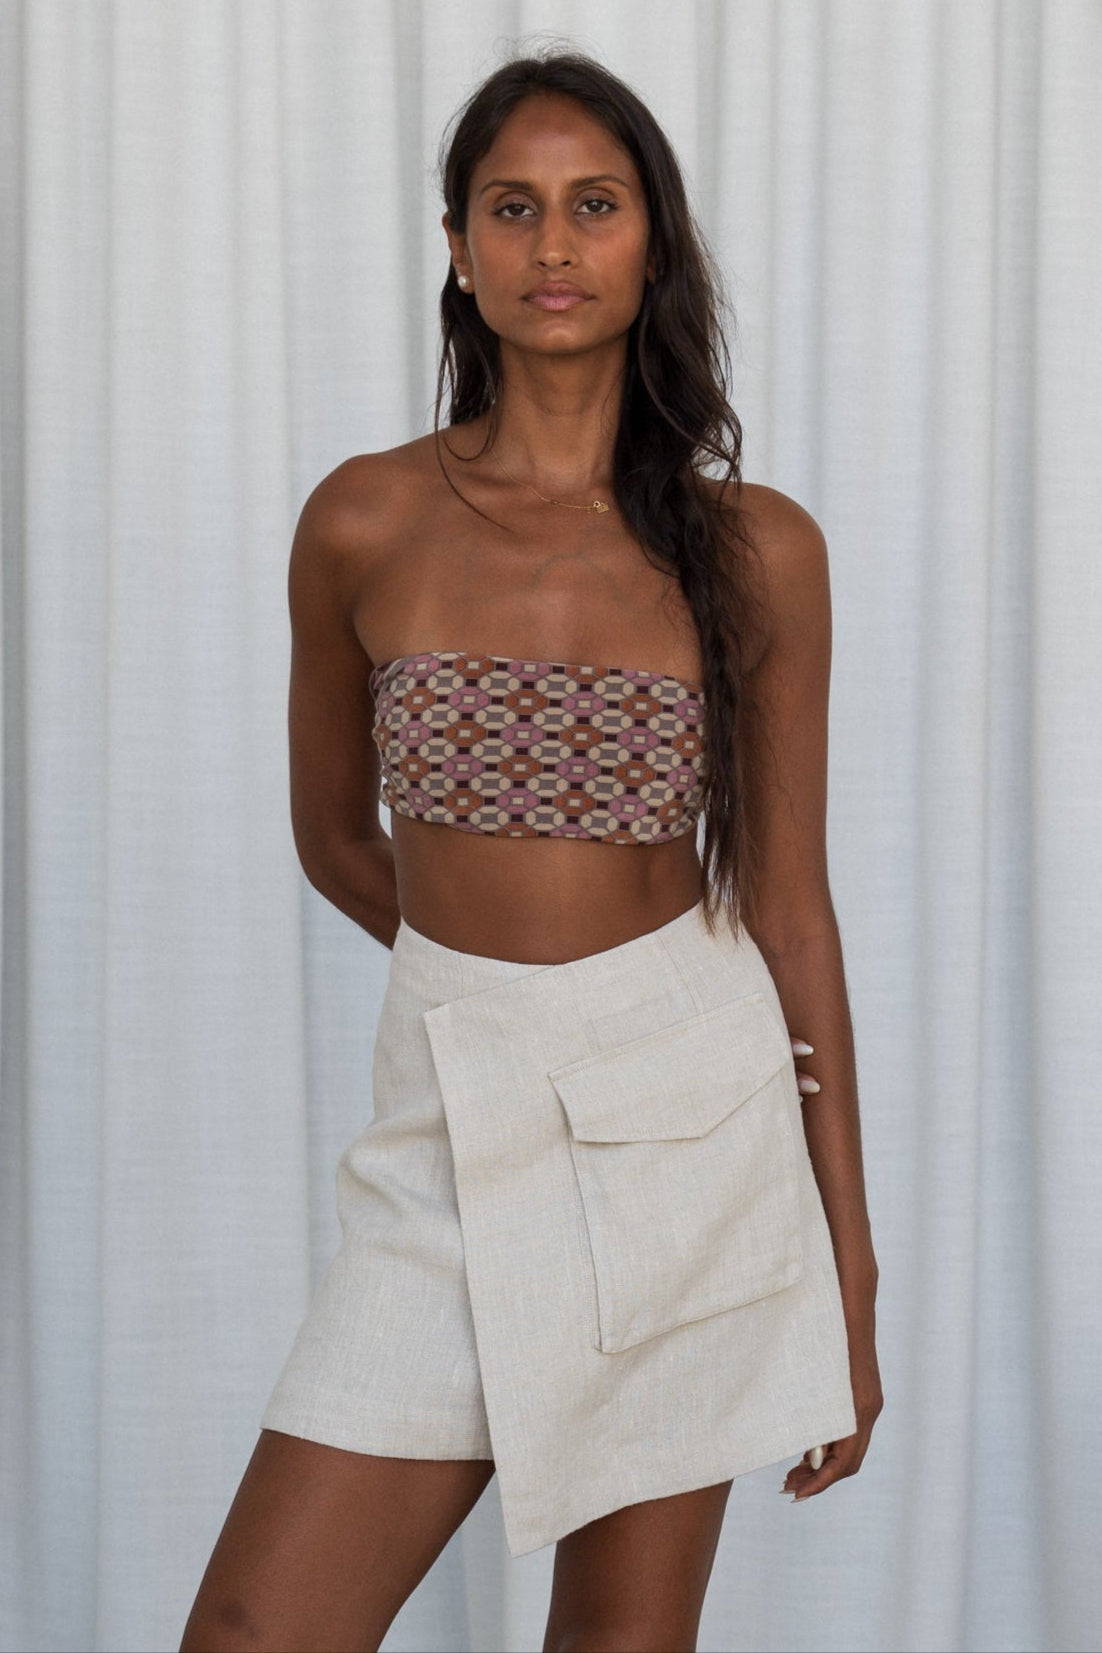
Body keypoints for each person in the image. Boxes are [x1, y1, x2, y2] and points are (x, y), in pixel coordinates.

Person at [181, 48, 882, 1653]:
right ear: (457, 245)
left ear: (653, 244)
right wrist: (499, 1010)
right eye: (513, 208)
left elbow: (787, 908)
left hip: (692, 1135)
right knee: (251, 1627)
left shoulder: (751, 547)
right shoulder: (363, 520)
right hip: (451, 1121)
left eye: (592, 207)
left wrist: (846, 1280)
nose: (552, 245)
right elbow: (337, 841)